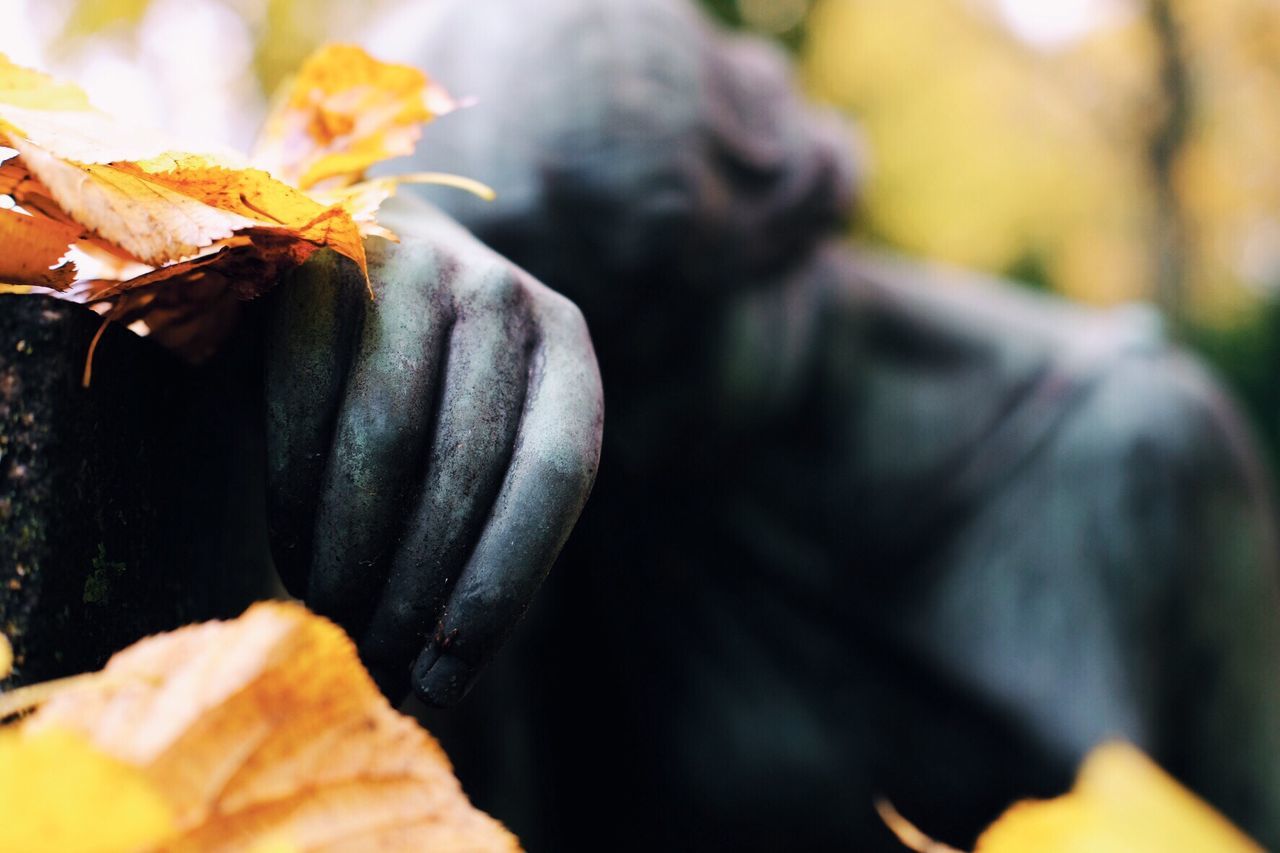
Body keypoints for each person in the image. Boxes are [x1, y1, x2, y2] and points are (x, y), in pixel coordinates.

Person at [266, 0, 1280, 849]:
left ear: (780, 216)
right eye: (552, 357)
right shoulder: (594, 507)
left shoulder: (1135, 453)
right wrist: (365, 273)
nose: (607, 424)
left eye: (658, 346)